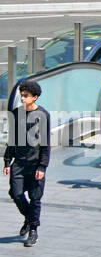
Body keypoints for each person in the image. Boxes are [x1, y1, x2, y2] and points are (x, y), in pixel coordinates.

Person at [5, 80, 50, 247]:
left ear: (35, 97)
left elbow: (45, 143)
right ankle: (30, 218)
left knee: (35, 198)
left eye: (26, 96)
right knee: (15, 193)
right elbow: (12, 139)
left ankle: (33, 230)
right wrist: (8, 161)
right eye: (21, 95)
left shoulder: (43, 115)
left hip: (35, 164)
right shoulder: (16, 113)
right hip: (19, 163)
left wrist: (42, 166)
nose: (22, 98)